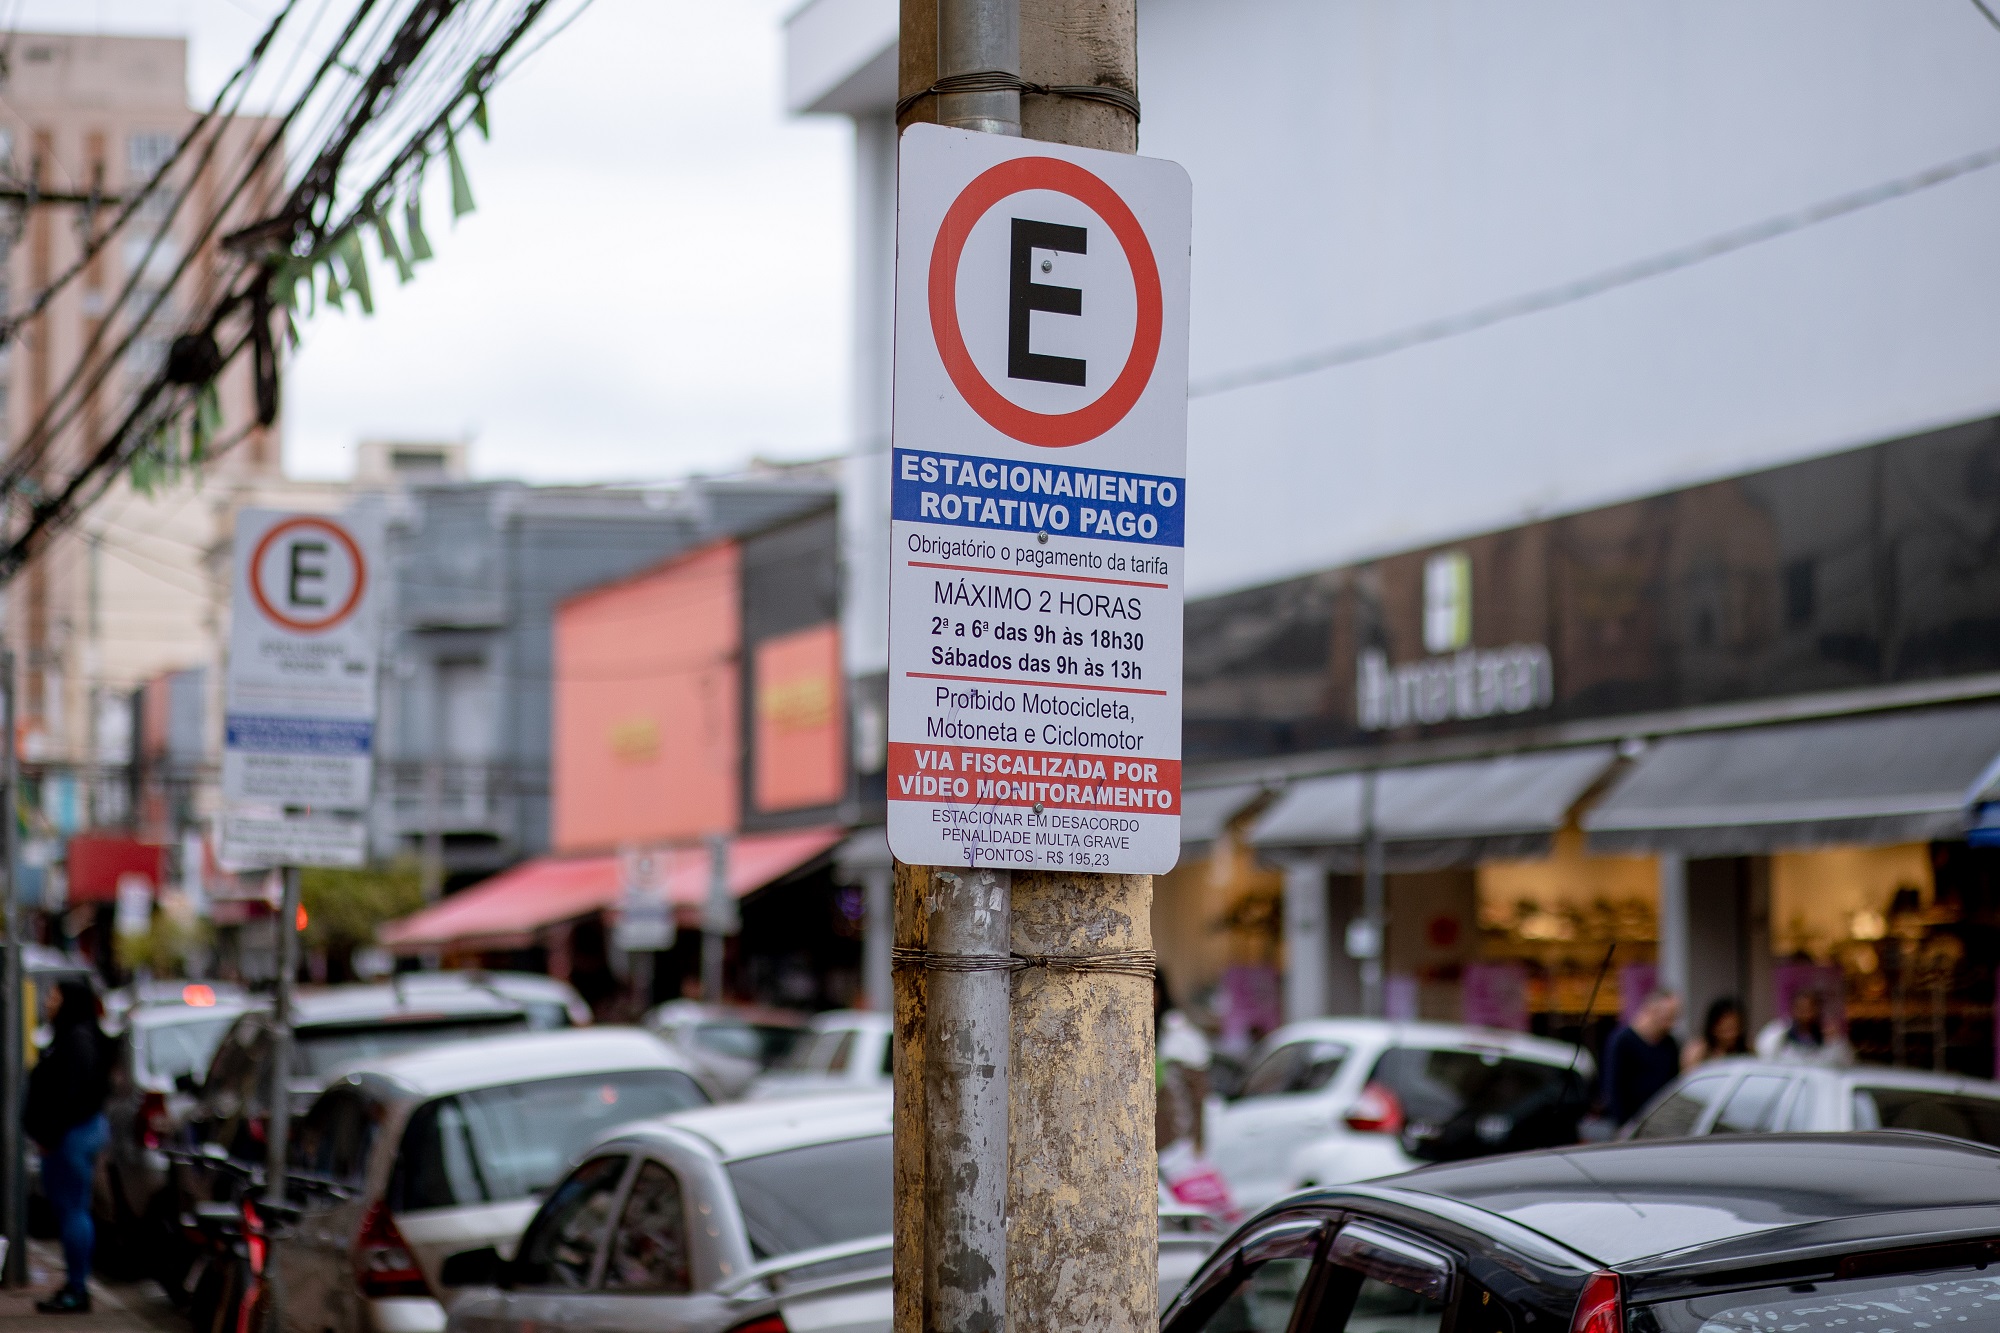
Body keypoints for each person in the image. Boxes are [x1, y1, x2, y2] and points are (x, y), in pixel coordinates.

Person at [24, 979, 112, 1314]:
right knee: (70, 1211)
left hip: (70, 1137)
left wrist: (49, 1134)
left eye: (54, 996)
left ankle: (77, 1287)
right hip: (69, 1135)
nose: (48, 1002)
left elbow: (71, 1097)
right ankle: (75, 1283)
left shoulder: (77, 1041)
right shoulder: (74, 1037)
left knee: (73, 1209)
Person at [1600, 988, 1681, 1127]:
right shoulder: (1622, 1041)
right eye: (1668, 1018)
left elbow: (1673, 1083)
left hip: (1661, 1122)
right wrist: (1623, 1124)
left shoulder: (1670, 1044)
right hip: (1631, 1123)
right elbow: (1613, 1088)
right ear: (1651, 1011)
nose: (1671, 1024)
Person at [1755, 988, 1854, 1067]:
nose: (1806, 1014)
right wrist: (1782, 1029)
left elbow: (1847, 1062)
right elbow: (1764, 1053)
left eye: (1810, 1009)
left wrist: (1836, 1040)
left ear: (1818, 1010)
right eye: (1801, 1009)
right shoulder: (1780, 1033)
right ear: (1793, 1009)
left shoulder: (1828, 1036)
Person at [1682, 996, 1749, 1068]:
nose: (1730, 1035)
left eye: (1734, 1028)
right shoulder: (1698, 1052)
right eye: (1725, 1029)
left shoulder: (1747, 1052)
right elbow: (1688, 1073)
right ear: (1713, 1028)